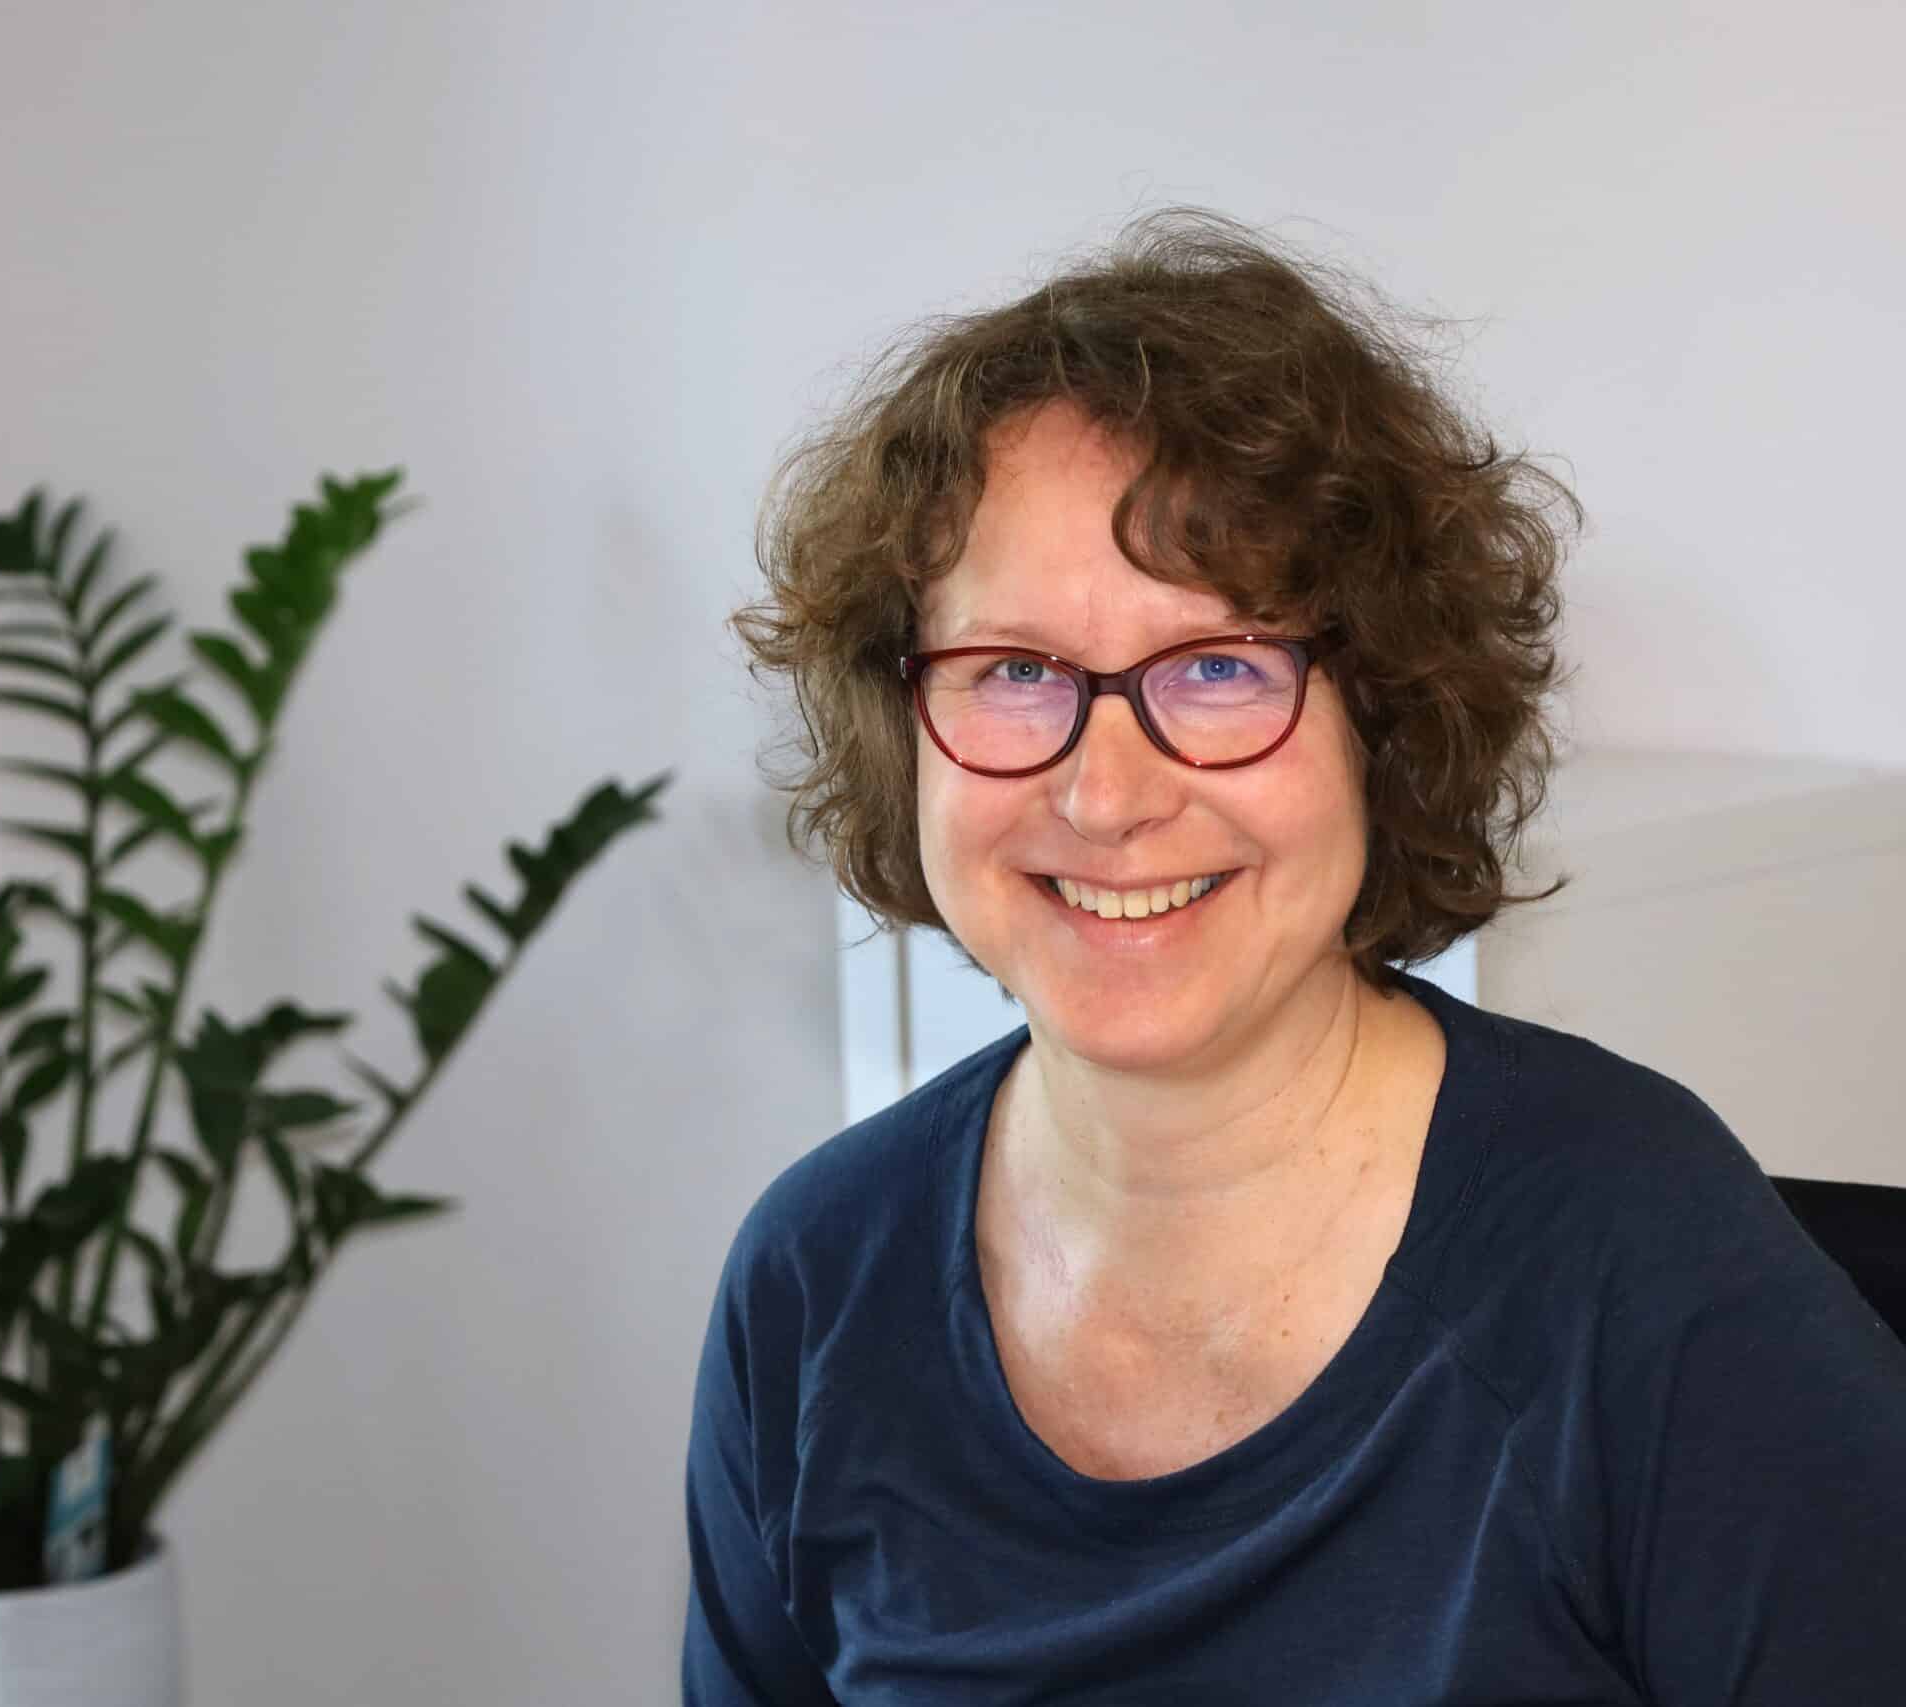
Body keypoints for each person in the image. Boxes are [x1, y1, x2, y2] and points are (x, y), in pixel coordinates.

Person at [687, 209, 1906, 1704]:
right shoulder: (814, 1281)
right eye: (1015, 670)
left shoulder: (1639, 1265)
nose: (1107, 795)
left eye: (1218, 666)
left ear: (1381, 723)